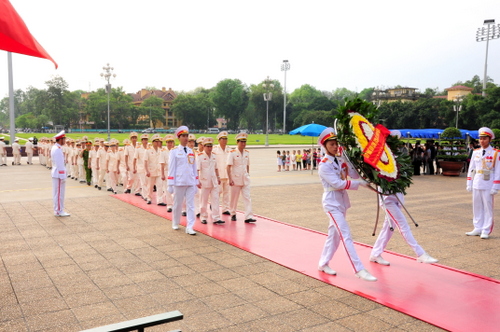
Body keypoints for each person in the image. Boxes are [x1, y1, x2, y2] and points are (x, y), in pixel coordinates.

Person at [316, 127, 376, 281]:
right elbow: (337, 183)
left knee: (333, 236)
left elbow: (354, 174)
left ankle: (323, 263)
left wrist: (349, 159)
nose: (335, 147)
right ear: (325, 146)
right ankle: (359, 269)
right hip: (331, 203)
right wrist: (359, 183)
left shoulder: (341, 159)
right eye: (331, 145)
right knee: (345, 234)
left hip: (341, 202)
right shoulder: (324, 165)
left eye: (336, 144)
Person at [466, 127, 500, 239]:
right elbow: (471, 168)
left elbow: (498, 170)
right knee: (477, 206)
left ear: (489, 139)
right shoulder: (476, 152)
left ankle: (486, 229)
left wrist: (496, 185)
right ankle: (477, 227)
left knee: (487, 207)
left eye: (484, 138)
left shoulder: (495, 153)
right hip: (477, 182)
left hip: (488, 183)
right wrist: (469, 182)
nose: (482, 141)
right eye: (480, 138)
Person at [167, 126, 199, 235]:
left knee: (191, 205)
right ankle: (175, 222)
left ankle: (190, 226)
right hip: (179, 182)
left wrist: (196, 182)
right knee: (178, 204)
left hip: (190, 181)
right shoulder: (174, 152)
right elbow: (172, 168)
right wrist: (170, 183)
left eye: (187, 136)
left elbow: (194, 168)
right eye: (183, 136)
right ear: (179, 138)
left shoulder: (191, 151)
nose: (186, 138)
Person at [227, 132, 256, 223]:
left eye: (245, 142)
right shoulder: (232, 153)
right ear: (237, 142)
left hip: (245, 179)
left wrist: (248, 174)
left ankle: (248, 216)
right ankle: (233, 213)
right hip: (235, 179)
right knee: (234, 198)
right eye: (241, 142)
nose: (243, 144)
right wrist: (230, 179)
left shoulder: (247, 153)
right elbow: (228, 166)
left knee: (247, 197)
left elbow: (247, 165)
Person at [197, 137, 224, 224]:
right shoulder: (200, 156)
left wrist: (218, 177)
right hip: (204, 181)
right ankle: (203, 217)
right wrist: (197, 180)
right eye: (207, 146)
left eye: (210, 146)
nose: (209, 148)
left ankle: (216, 218)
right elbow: (197, 169)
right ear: (204, 146)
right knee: (203, 200)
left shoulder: (214, 155)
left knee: (215, 200)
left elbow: (216, 168)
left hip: (214, 181)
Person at [51, 131, 70, 217]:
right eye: (64, 139)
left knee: (57, 193)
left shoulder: (55, 147)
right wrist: (63, 176)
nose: (65, 140)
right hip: (58, 174)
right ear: (61, 139)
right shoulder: (57, 149)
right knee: (59, 194)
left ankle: (58, 209)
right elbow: (59, 164)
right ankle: (59, 210)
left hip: (56, 173)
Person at [213, 131, 231, 215]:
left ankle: (225, 209)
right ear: (219, 140)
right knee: (218, 192)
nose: (224, 141)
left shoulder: (229, 150)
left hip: (227, 175)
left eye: (225, 139)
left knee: (226, 193)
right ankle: (214, 205)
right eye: (223, 139)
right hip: (219, 175)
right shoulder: (215, 150)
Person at [144, 134, 162, 205]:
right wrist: (147, 171)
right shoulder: (148, 151)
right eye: (156, 141)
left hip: (159, 171)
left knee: (159, 186)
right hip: (151, 171)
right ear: (153, 142)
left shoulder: (161, 150)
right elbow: (145, 161)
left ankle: (160, 200)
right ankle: (149, 198)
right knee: (150, 186)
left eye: (158, 141)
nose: (158, 143)